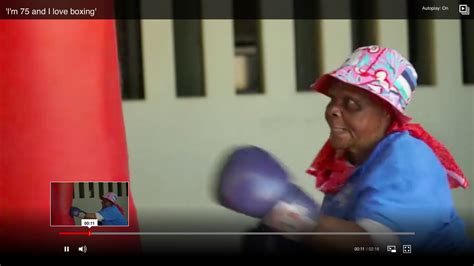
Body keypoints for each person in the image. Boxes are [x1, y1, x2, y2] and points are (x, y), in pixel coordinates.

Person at [218, 45, 472, 255]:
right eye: (333, 100)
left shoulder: (408, 158)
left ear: (386, 112)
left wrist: (285, 209)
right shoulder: (350, 162)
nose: (332, 110)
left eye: (350, 103)